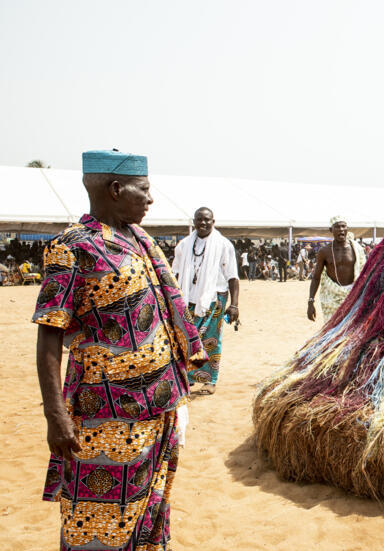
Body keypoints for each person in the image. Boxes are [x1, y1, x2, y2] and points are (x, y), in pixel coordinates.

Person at [33, 149, 205, 550]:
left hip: (158, 406)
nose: (150, 199)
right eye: (143, 190)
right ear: (115, 189)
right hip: (105, 416)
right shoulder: (73, 248)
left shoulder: (140, 239)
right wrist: (55, 415)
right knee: (98, 515)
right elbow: (49, 334)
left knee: (150, 507)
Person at [172, 207, 240, 395]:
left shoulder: (224, 245)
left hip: (215, 299)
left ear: (213, 222)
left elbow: (233, 277)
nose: (202, 223)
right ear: (193, 221)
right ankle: (192, 377)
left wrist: (234, 305)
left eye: (206, 220)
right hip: (188, 299)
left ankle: (210, 380)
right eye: (199, 219)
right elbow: (174, 273)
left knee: (211, 340)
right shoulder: (184, 245)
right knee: (190, 339)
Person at [308, 215, 365, 323]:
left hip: (354, 296)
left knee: (353, 331)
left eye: (344, 226)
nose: (341, 230)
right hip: (332, 299)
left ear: (347, 229)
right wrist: (310, 302)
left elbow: (365, 274)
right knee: (332, 330)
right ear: (331, 230)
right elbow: (316, 277)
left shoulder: (357, 249)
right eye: (337, 227)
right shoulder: (324, 251)